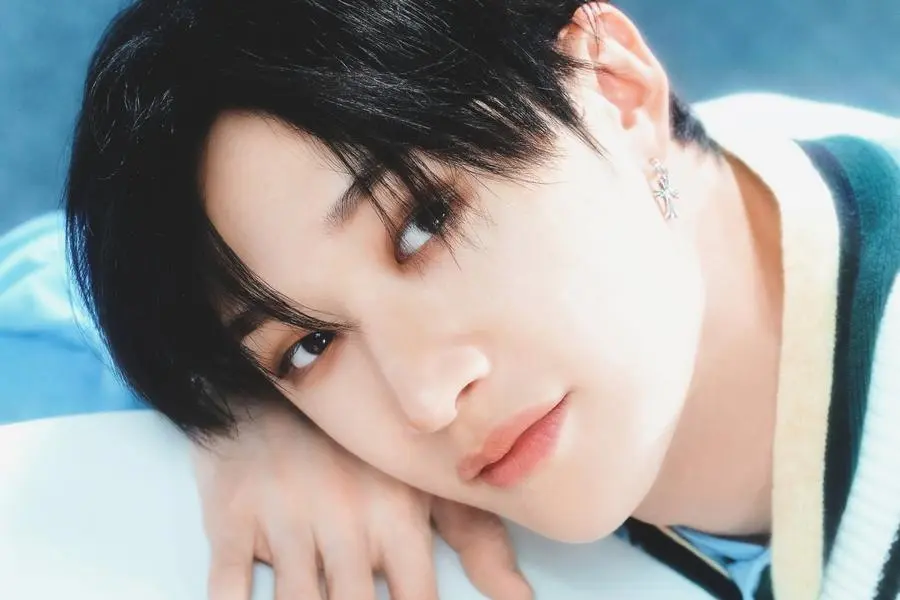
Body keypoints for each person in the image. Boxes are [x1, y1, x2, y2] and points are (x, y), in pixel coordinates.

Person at [62, 1, 900, 599]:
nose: (425, 400)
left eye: (424, 224)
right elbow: (38, 285)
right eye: (310, 345)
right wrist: (236, 416)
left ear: (615, 89)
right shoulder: (701, 169)